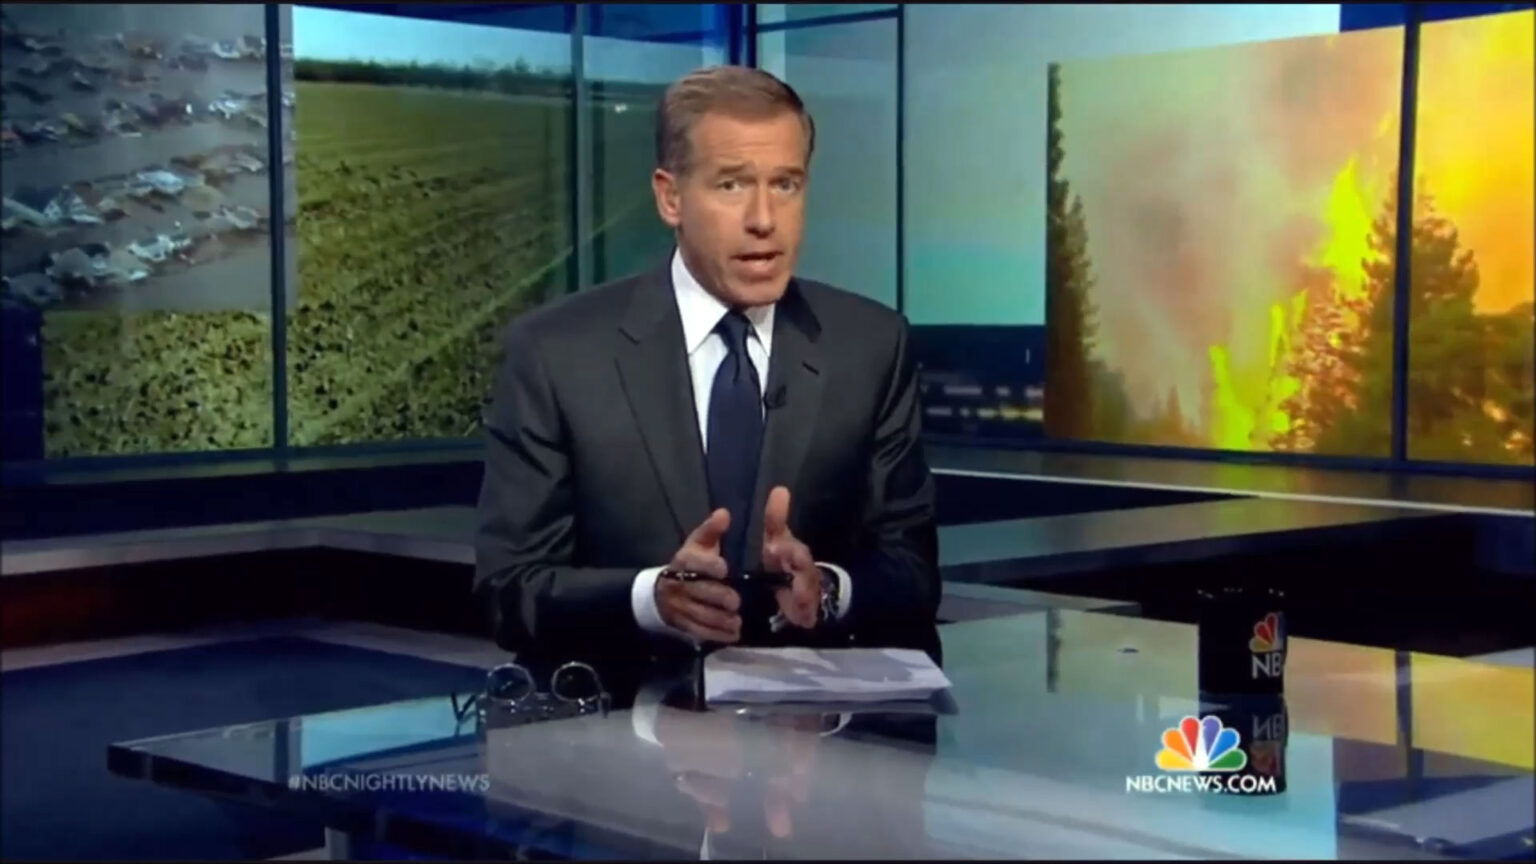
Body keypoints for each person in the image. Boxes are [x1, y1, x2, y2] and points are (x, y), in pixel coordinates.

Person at [473, 65, 939, 666]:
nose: (764, 219)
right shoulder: (557, 354)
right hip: (621, 713)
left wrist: (827, 589)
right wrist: (652, 599)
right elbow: (508, 590)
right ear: (670, 197)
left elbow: (913, 572)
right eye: (731, 185)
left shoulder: (870, 346)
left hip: (810, 718)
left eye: (786, 184)